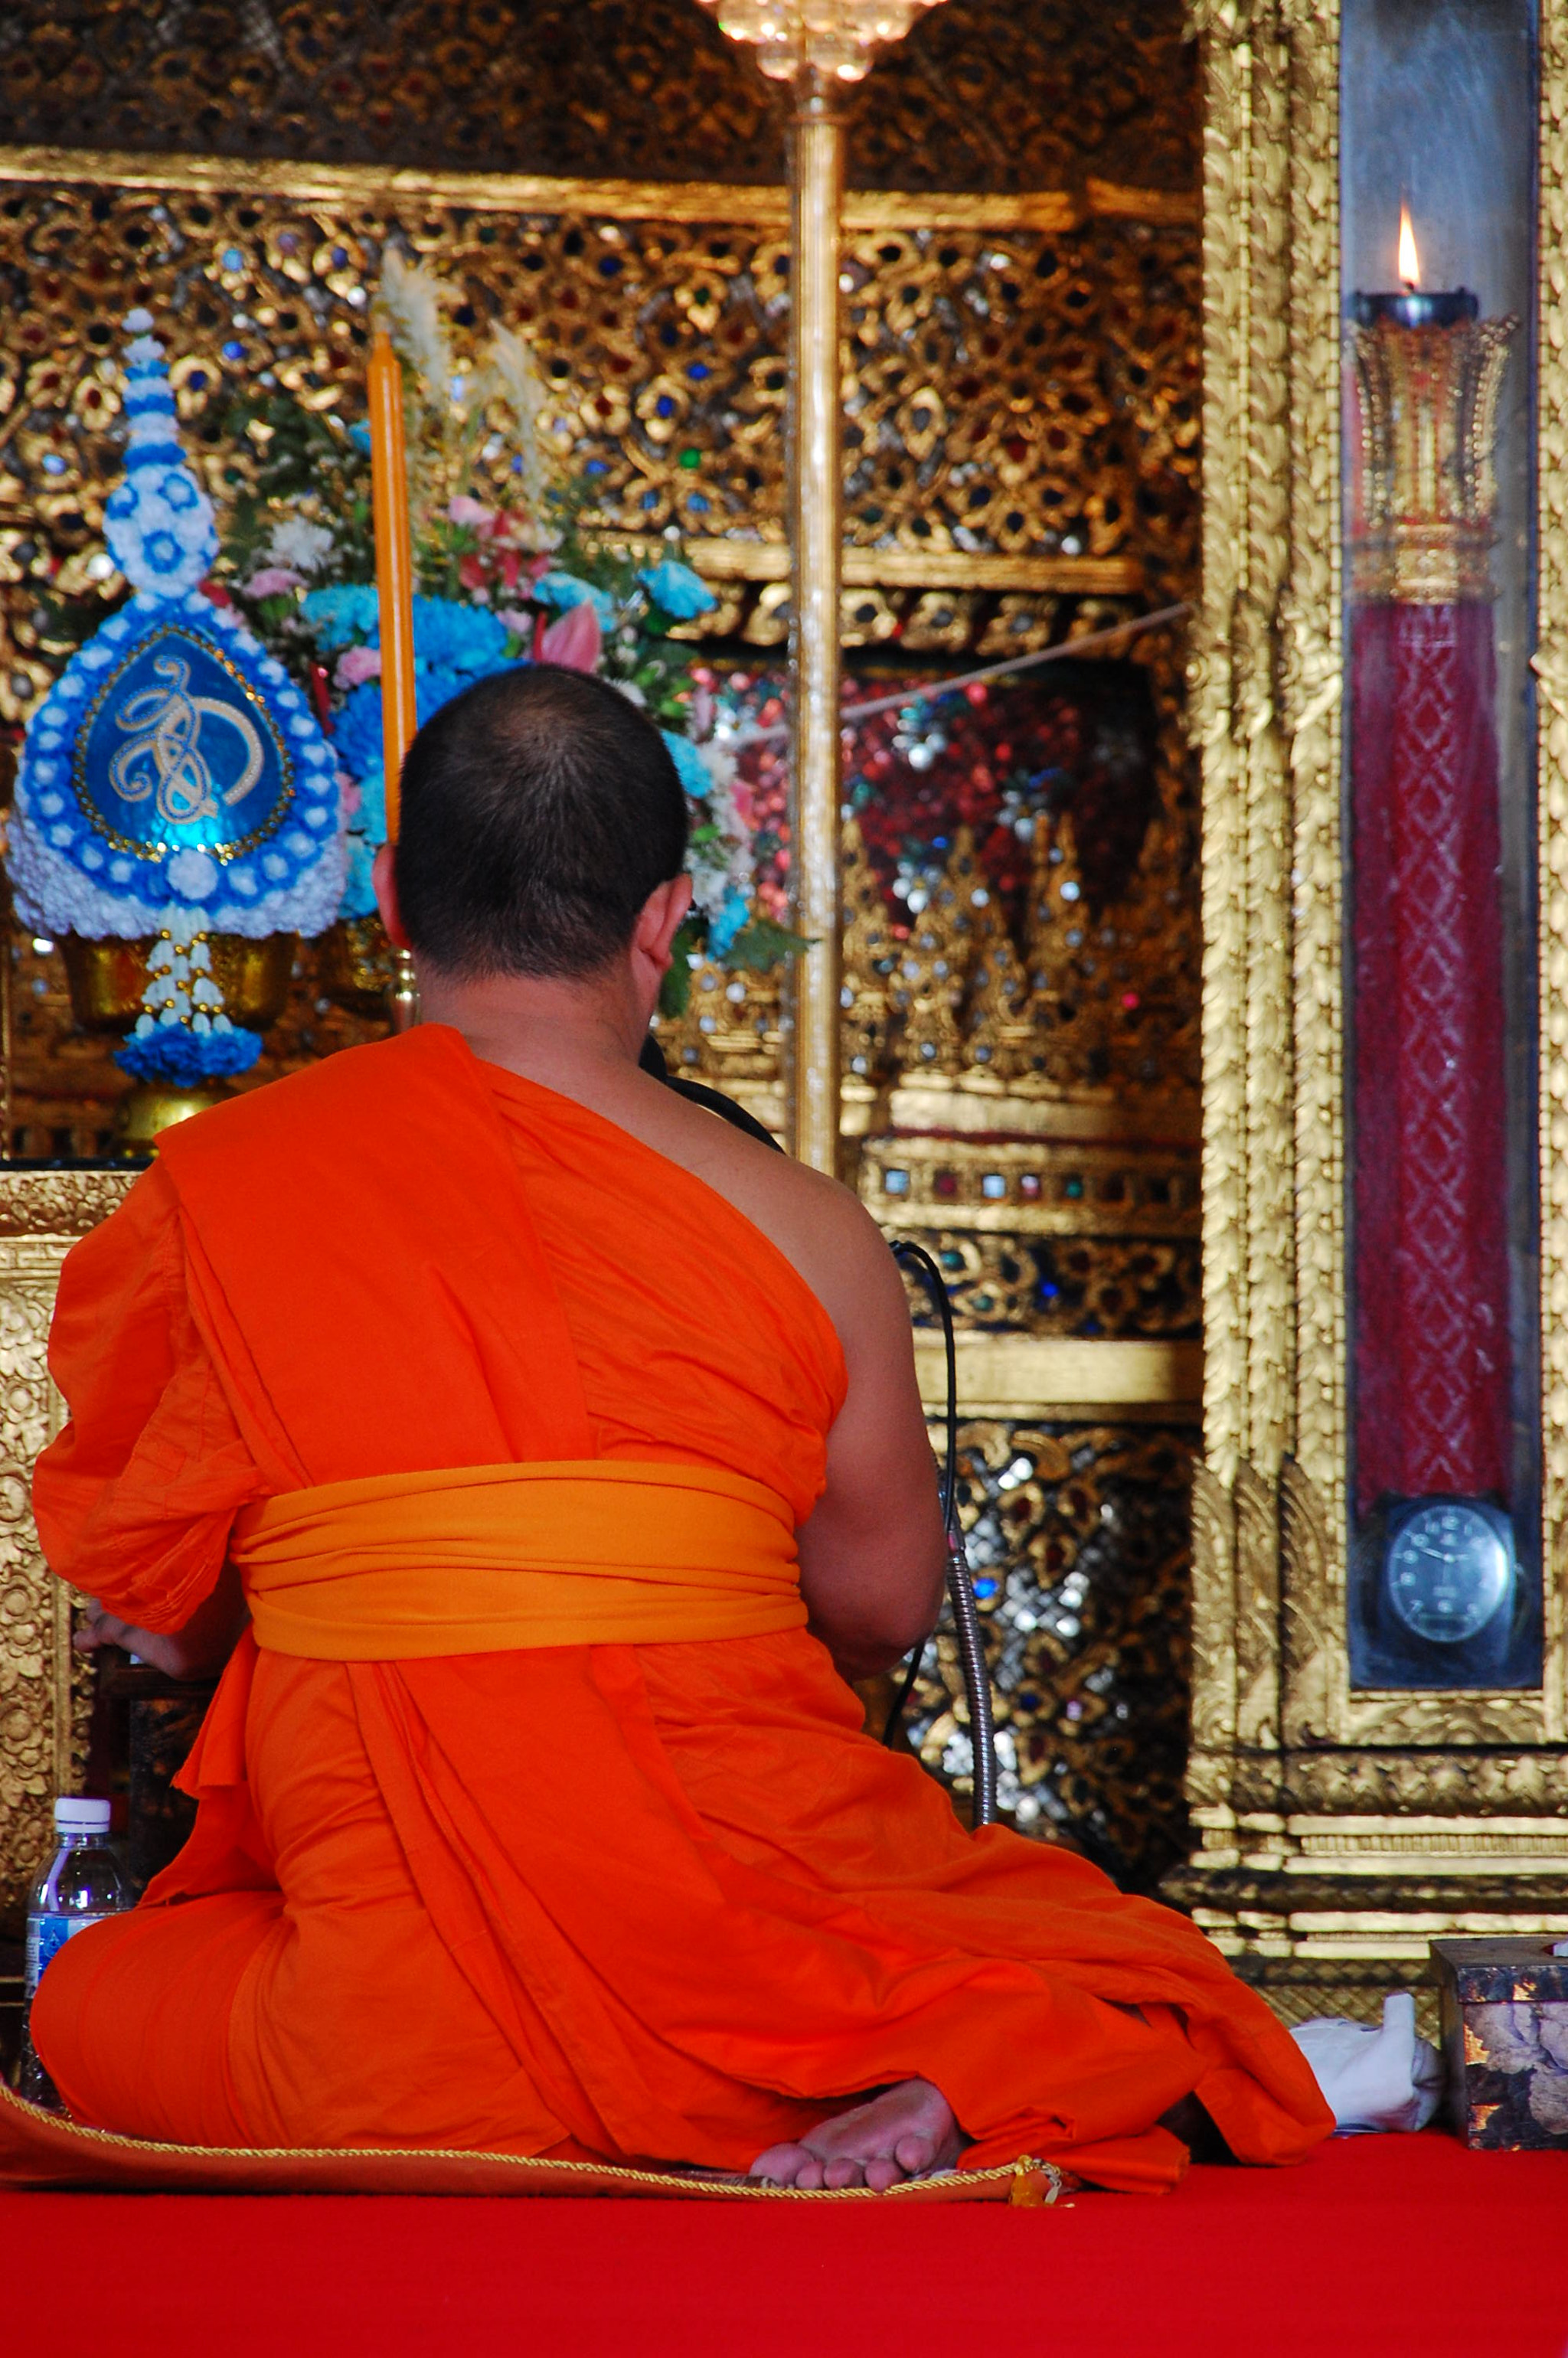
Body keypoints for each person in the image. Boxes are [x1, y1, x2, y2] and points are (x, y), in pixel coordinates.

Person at [31, 664, 1352, 2193]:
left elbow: (157, 1602)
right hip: (744, 1909)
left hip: (380, 2032)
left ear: (388, 898)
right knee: (1083, 1954)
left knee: (91, 2003)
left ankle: (701, 2059)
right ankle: (910, 2054)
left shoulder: (229, 1189)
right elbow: (880, 1602)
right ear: (663, 918)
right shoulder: (805, 1226)